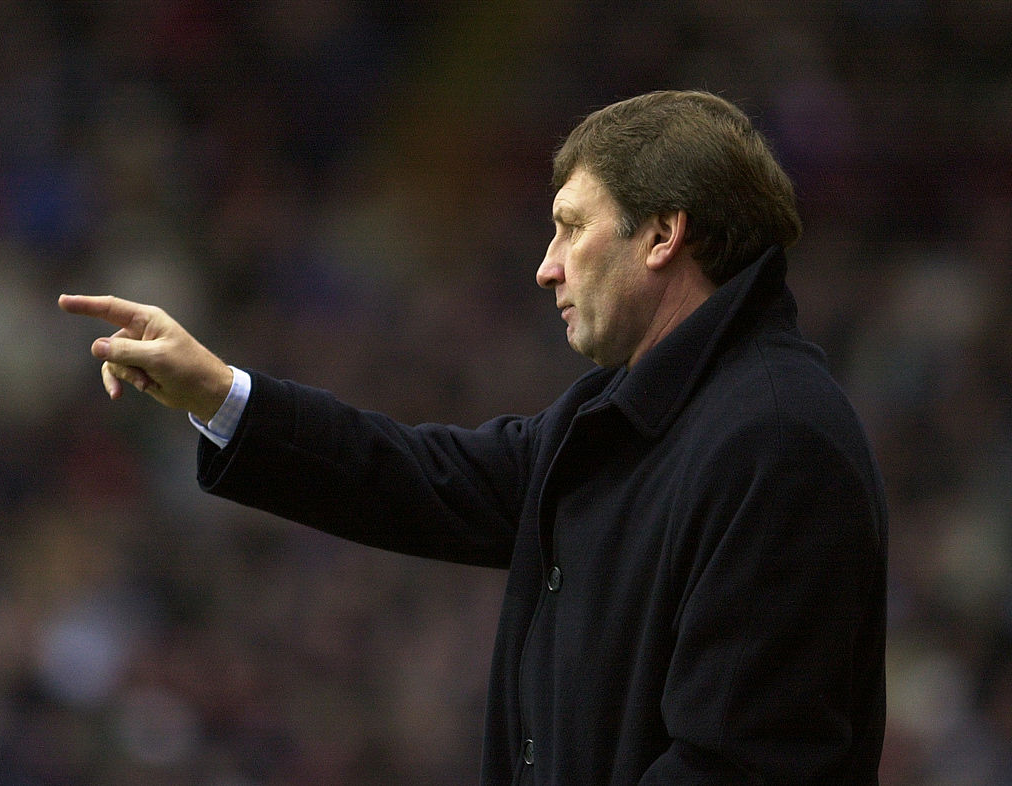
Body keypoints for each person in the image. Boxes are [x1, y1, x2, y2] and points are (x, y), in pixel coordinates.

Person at [60, 90, 888, 784]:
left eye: (572, 226)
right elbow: (423, 479)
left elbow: (740, 766)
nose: (547, 266)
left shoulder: (777, 442)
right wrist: (220, 392)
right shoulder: (626, 415)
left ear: (663, 236)